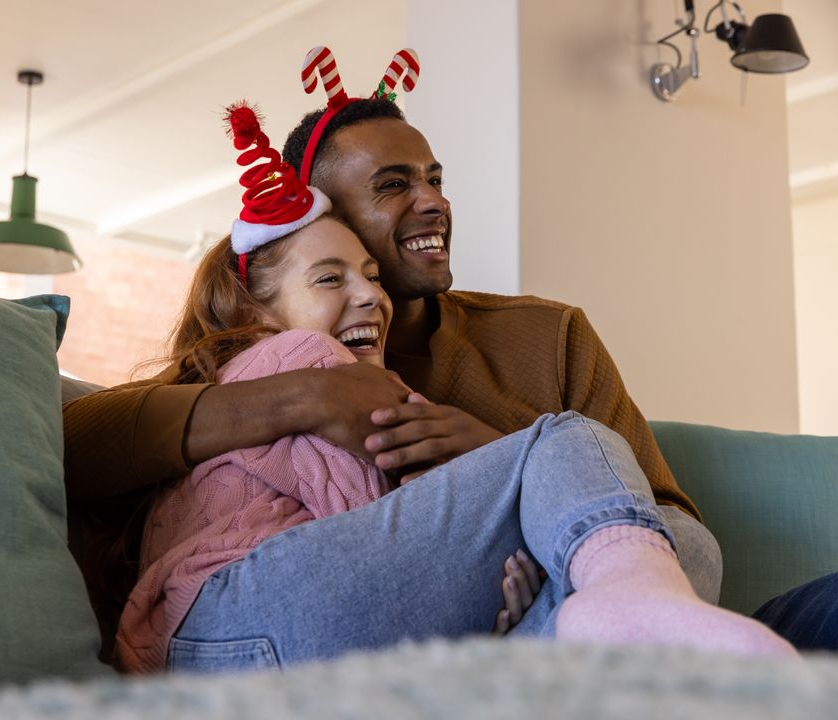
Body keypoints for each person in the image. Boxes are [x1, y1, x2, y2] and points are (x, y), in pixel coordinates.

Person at [81, 101, 795, 674]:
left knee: (684, 548)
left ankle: (581, 634)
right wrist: (305, 397)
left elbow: (659, 511)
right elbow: (78, 444)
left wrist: (498, 458)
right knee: (578, 449)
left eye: (435, 178)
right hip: (276, 615)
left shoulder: (548, 335)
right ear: (320, 212)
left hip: (473, 606)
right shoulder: (280, 350)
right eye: (393, 184)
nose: (431, 201)